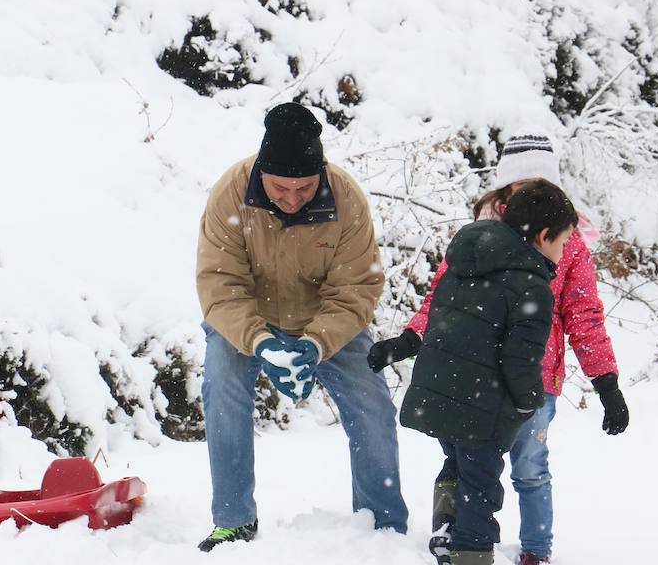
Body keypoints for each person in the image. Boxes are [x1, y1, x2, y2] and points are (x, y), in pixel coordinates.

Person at [368, 132, 630, 565]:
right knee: (468, 464)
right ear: (505, 193)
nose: (532, 196)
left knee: (530, 470)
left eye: (541, 187)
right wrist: (410, 339)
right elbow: (441, 304)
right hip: (474, 383)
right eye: (521, 188)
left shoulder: (569, 245)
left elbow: (585, 317)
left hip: (536, 381)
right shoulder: (477, 242)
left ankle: (535, 551)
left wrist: (606, 383)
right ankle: (458, 534)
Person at [195, 102, 408, 551]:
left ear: (321, 173)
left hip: (326, 323)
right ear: (261, 172)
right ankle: (234, 521)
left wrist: (314, 342)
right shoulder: (230, 193)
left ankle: (383, 527)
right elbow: (220, 285)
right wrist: (260, 341)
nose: (292, 198)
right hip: (247, 320)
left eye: (304, 187)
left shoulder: (346, 199)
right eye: (280, 188)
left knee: (372, 406)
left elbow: (356, 288)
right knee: (222, 390)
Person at [399, 180, 579, 565]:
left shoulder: (466, 261)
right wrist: (529, 399)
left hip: (442, 394)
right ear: (543, 236)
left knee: (458, 465)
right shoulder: (532, 287)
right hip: (482, 409)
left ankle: (446, 528)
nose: (563, 253)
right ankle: (470, 553)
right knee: (481, 491)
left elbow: (441, 324)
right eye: (563, 243)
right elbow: (521, 360)